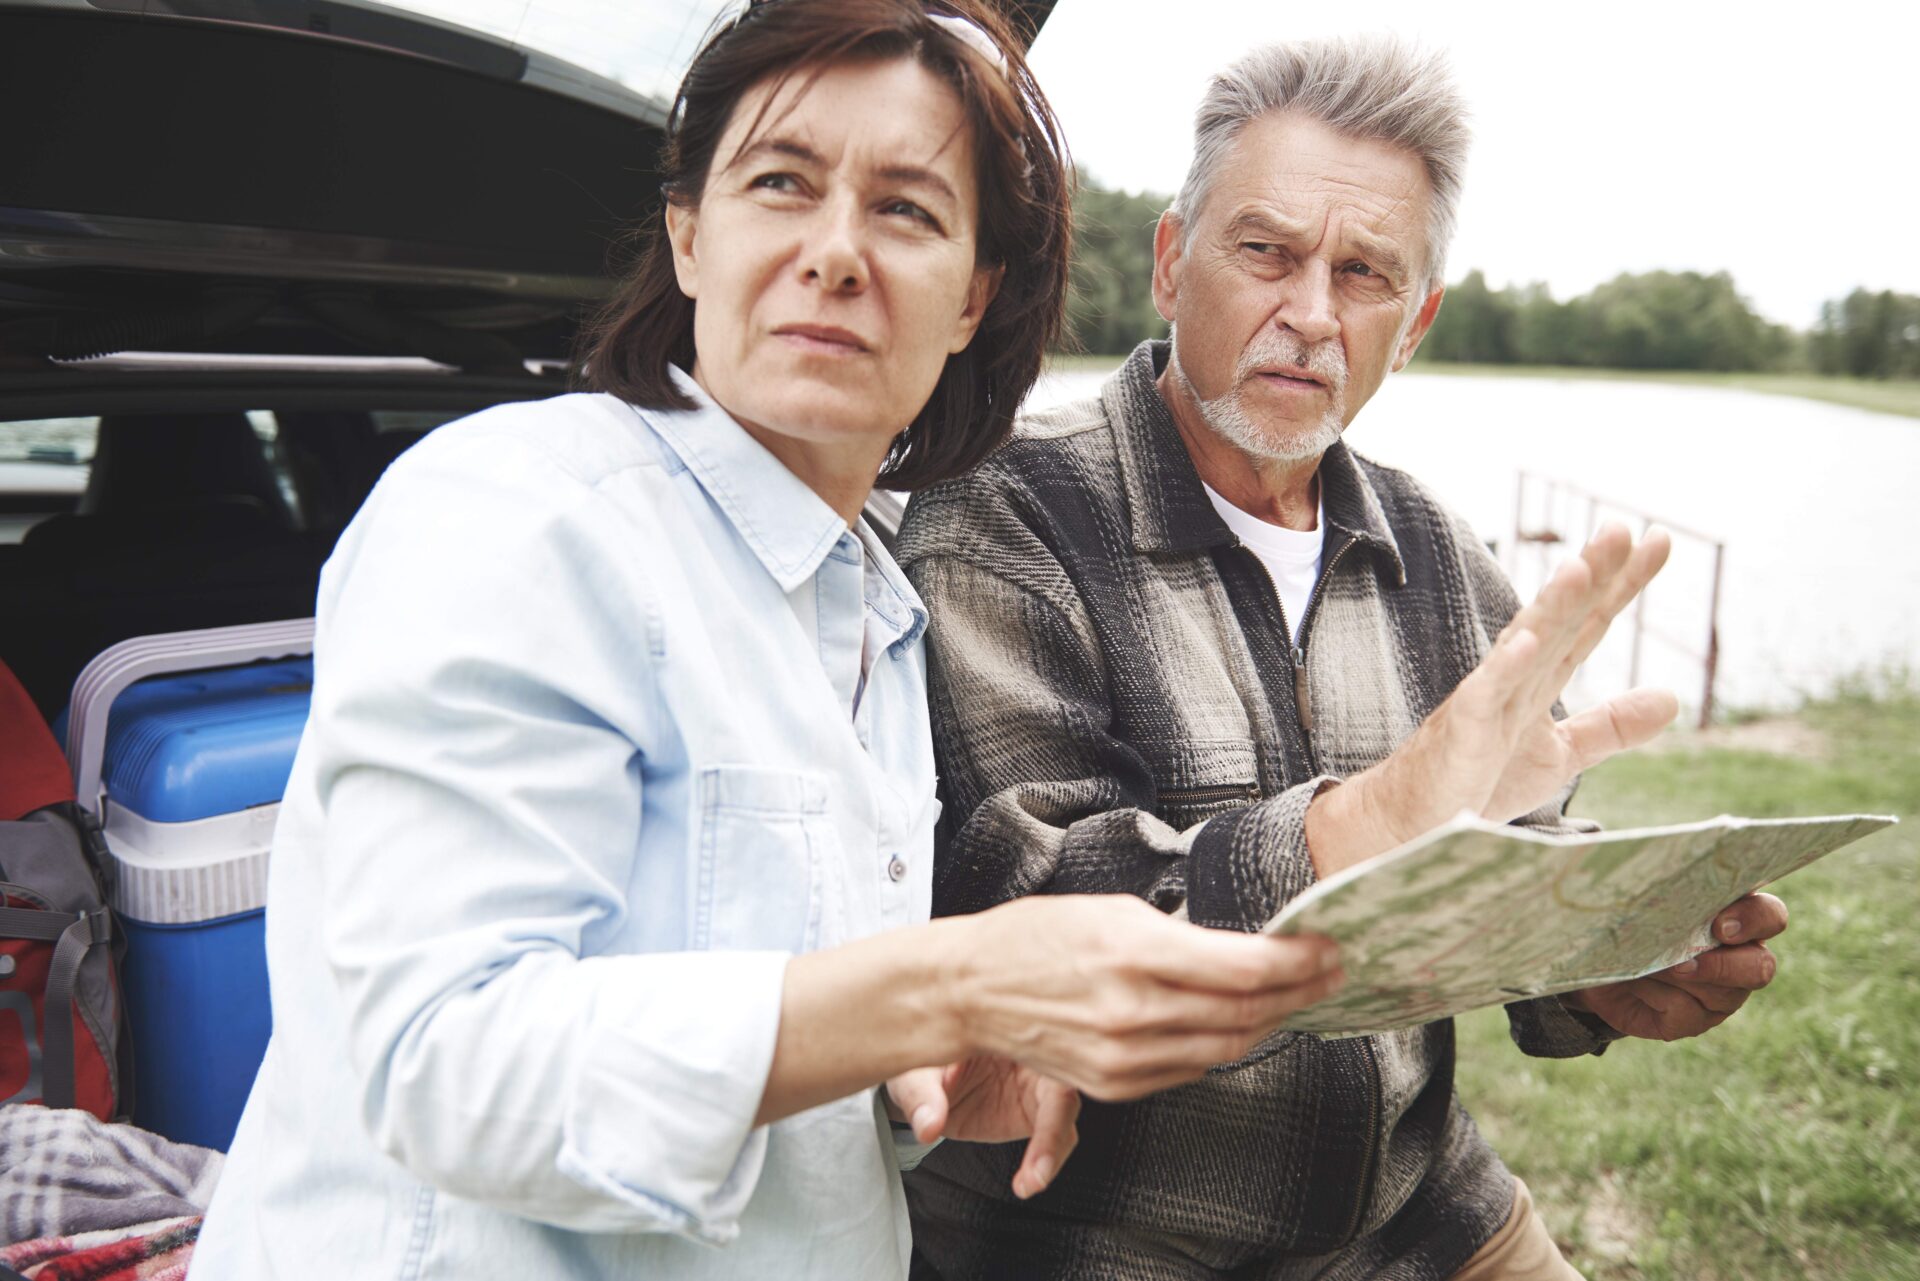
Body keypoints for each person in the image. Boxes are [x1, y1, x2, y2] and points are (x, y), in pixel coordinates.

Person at [186, 6, 1350, 1279]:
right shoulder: (521, 517)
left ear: (973, 297)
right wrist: (950, 984)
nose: (836, 254)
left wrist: (923, 1073)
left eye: (907, 209)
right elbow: (444, 1063)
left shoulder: (882, 609)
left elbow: (769, 1024)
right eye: (782, 184)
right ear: (690, 236)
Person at [897, 36, 1790, 1281]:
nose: (1312, 313)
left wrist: (1608, 965)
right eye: (1266, 251)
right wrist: (1369, 820)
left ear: (1413, 324)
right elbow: (1039, 905)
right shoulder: (1002, 514)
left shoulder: (1446, 558)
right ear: (1169, 261)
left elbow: (1501, 877)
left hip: (1427, 1226)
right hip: (1110, 1249)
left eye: (1365, 273)